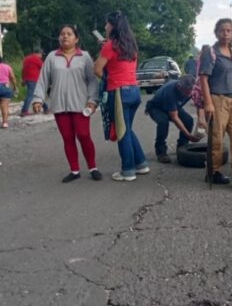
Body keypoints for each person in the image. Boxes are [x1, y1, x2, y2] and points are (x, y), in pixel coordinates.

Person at [35, 25, 102, 181]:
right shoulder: (52, 57)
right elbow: (43, 80)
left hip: (81, 105)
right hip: (59, 105)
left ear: (76, 38)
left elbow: (92, 81)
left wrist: (93, 101)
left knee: (84, 135)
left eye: (69, 34)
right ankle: (74, 171)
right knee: (67, 137)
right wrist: (38, 99)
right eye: (62, 34)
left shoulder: (84, 56)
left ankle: (93, 167)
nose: (65, 36)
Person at [199, 19, 232, 189]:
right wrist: (208, 103)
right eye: (222, 30)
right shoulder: (210, 53)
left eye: (229, 30)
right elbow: (204, 79)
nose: (226, 33)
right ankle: (214, 171)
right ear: (216, 33)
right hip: (218, 99)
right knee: (217, 138)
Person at [95, 11, 148, 181]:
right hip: (134, 90)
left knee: (122, 132)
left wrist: (107, 77)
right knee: (128, 129)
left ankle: (128, 171)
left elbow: (96, 69)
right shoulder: (131, 45)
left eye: (107, 24)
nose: (105, 27)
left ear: (113, 26)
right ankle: (141, 164)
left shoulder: (110, 46)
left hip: (118, 92)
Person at [146, 75, 198, 163]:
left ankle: (182, 146)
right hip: (156, 107)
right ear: (179, 87)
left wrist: (202, 122)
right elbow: (174, 117)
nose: (189, 94)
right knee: (163, 122)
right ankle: (161, 151)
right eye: (186, 91)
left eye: (190, 91)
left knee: (188, 120)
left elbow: (199, 104)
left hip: (174, 106)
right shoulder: (170, 91)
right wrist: (188, 135)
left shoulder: (192, 90)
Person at [20, 44, 44, 116]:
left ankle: (46, 108)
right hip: (34, 79)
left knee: (35, 94)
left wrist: (23, 79)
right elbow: (44, 68)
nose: (42, 56)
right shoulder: (37, 59)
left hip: (27, 79)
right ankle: (24, 110)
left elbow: (23, 69)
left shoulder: (26, 58)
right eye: (41, 54)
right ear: (38, 53)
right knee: (31, 95)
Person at [0, 57, 14, 129]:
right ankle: (5, 122)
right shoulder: (7, 67)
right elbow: (12, 77)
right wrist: (14, 86)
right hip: (6, 87)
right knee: (5, 106)